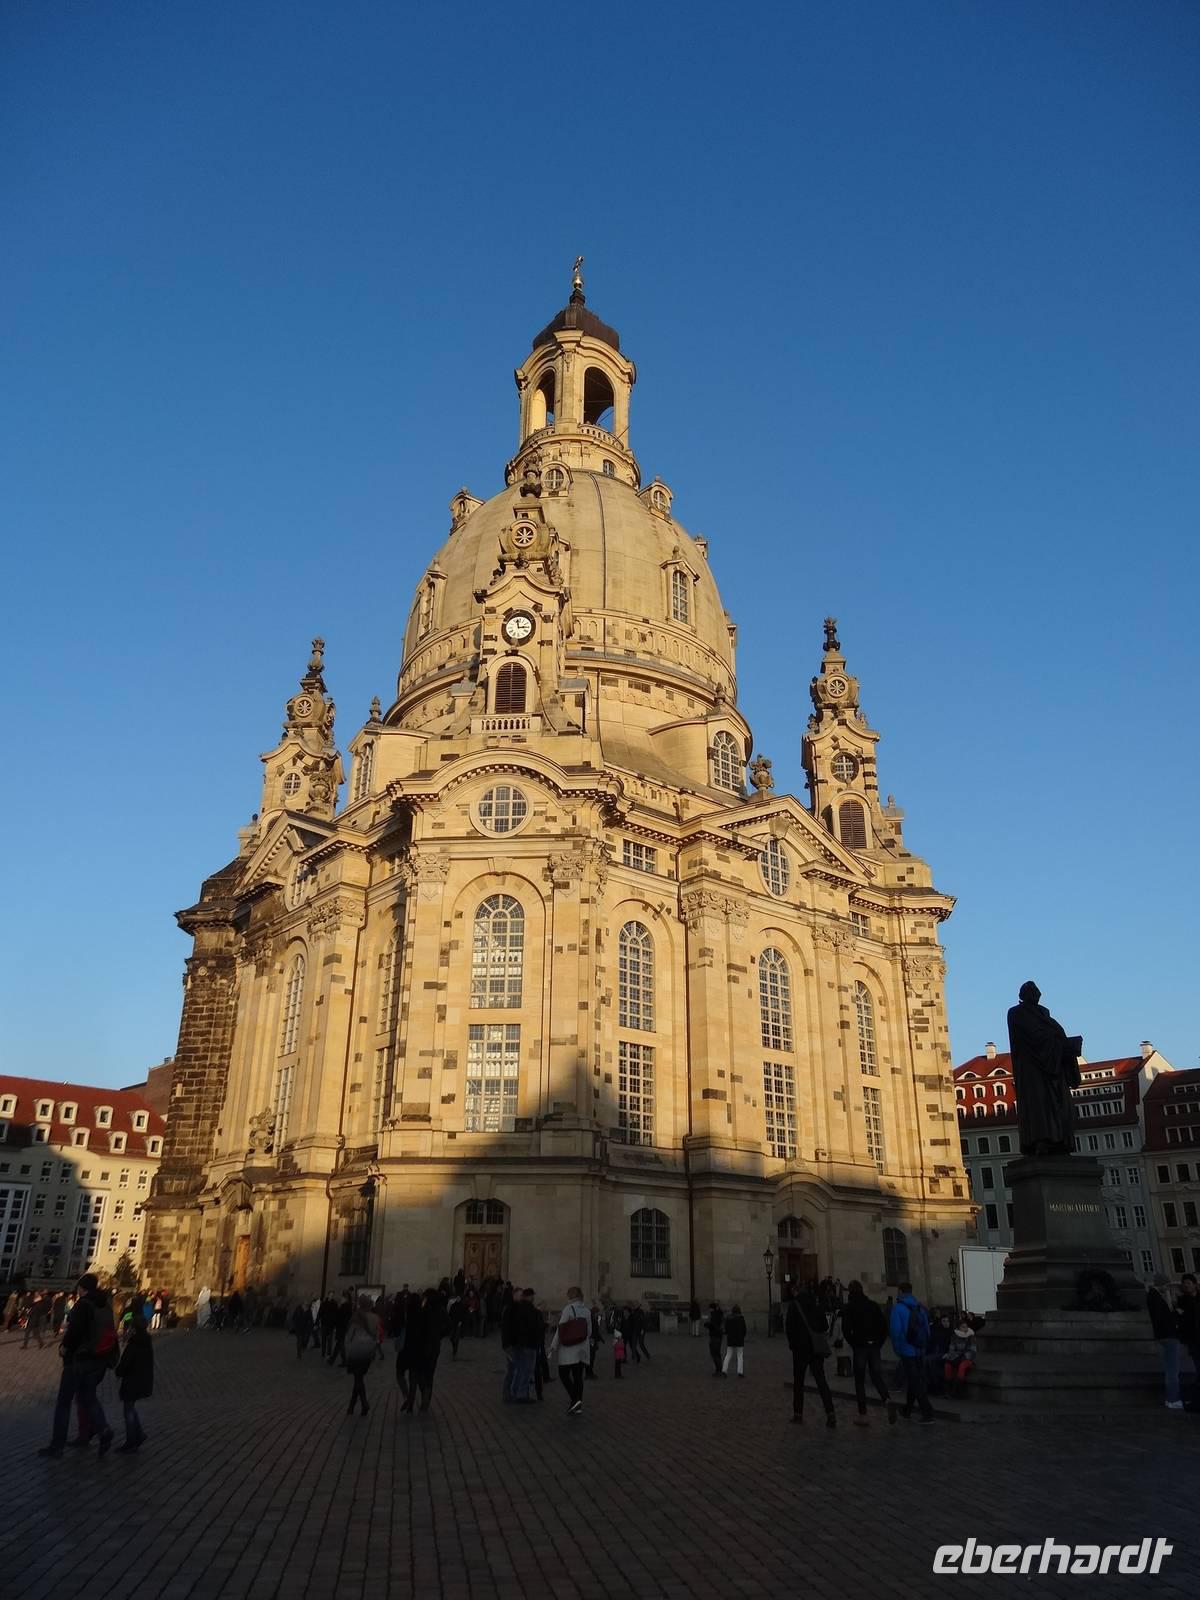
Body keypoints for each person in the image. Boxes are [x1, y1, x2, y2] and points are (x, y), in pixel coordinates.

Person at [37, 1274, 116, 1459]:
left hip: (78, 1360)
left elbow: (75, 1332)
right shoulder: (105, 1304)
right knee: (89, 1397)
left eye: (79, 1287)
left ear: (82, 1288)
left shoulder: (83, 1305)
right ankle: (103, 1429)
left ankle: (57, 1446)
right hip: (97, 1359)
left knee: (64, 1403)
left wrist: (65, 1347)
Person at [840, 1281, 896, 1425]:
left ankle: (863, 1415)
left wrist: (854, 1343)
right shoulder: (872, 1305)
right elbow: (884, 1327)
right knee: (876, 1376)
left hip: (860, 1347)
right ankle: (887, 1400)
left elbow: (846, 1330)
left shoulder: (850, 1307)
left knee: (859, 1381)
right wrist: (878, 1343)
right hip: (874, 1347)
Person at [786, 1288, 836, 1427]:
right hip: (815, 1349)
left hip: (800, 1350)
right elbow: (825, 1326)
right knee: (821, 1381)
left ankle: (798, 1414)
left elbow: (789, 1328)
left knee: (798, 1383)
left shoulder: (794, 1306)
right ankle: (830, 1413)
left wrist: (793, 1345)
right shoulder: (816, 1307)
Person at [889, 1281, 934, 1423]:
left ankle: (927, 1412)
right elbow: (927, 1329)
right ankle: (907, 1409)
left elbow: (895, 1331)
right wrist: (924, 1347)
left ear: (900, 1291)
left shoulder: (898, 1308)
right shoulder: (920, 1307)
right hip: (919, 1350)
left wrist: (897, 1349)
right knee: (914, 1379)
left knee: (915, 1381)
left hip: (907, 1350)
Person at [402, 1287, 448, 1414]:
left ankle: (421, 1398)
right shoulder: (441, 1310)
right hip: (435, 1346)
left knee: (420, 1372)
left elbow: (418, 1328)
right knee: (430, 1373)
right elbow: (445, 1329)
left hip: (423, 1346)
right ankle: (426, 1400)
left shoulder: (424, 1310)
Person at [114, 1308, 154, 1451]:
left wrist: (118, 1371)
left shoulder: (134, 1344)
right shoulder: (146, 1342)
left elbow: (125, 1364)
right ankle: (139, 1434)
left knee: (128, 1410)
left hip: (132, 1381)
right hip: (143, 1380)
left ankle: (131, 1441)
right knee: (130, 1408)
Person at [550, 1286, 592, 1415]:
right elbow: (589, 1332)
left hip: (568, 1350)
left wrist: (553, 1346)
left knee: (563, 1374)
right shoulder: (587, 1311)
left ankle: (575, 1400)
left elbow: (560, 1330)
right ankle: (577, 1404)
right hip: (582, 1349)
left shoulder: (568, 1309)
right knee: (578, 1377)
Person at [1146, 1273, 1184, 1410]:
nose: (1167, 1288)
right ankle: (1173, 1399)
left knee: (1169, 1369)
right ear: (1161, 1284)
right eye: (1166, 1285)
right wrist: (1175, 1315)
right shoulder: (1155, 1297)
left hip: (1162, 1336)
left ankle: (1171, 1399)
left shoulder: (1153, 1295)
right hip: (1168, 1336)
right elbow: (1162, 1318)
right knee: (1172, 1370)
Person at [342, 1295, 380, 1416]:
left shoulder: (356, 1316)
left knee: (358, 1379)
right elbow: (376, 1334)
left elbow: (350, 1334)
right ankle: (352, 1407)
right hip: (368, 1350)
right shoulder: (375, 1317)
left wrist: (347, 1350)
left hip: (356, 1350)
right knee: (359, 1378)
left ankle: (364, 1403)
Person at [943, 1318, 977, 1394]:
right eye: (963, 1327)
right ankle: (948, 1389)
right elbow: (951, 1349)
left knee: (962, 1366)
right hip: (956, 1357)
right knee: (947, 1366)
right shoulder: (954, 1337)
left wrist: (963, 1356)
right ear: (958, 1328)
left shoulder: (971, 1337)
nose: (965, 1329)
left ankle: (956, 1390)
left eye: (966, 1327)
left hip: (967, 1358)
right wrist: (954, 1355)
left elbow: (973, 1351)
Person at [722, 1305, 747, 1376]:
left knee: (728, 1355)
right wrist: (742, 1336)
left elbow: (726, 1329)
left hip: (730, 1339)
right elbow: (744, 1329)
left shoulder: (728, 1318)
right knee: (740, 1356)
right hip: (739, 1339)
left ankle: (724, 1370)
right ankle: (740, 1372)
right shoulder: (741, 1318)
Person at [706, 1303, 725, 1376]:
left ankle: (719, 1370)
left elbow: (713, 1325)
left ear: (712, 1308)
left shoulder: (714, 1315)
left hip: (714, 1336)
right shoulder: (720, 1314)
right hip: (719, 1336)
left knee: (714, 1354)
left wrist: (707, 1325)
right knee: (717, 1353)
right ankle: (719, 1369)